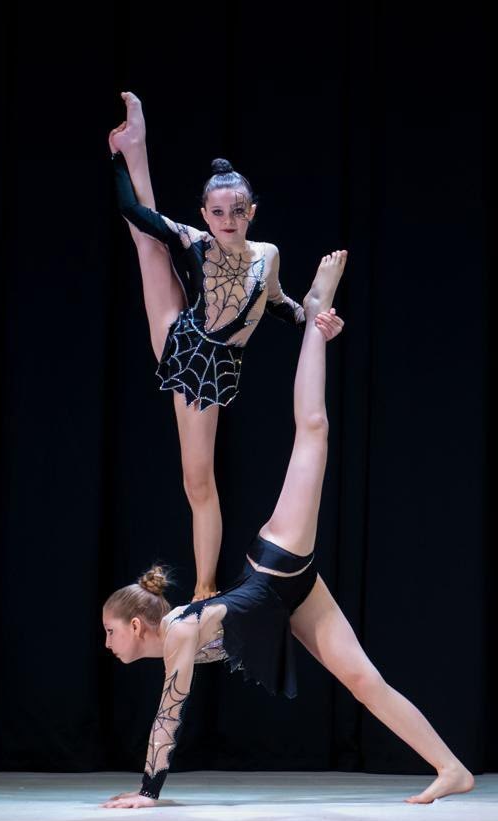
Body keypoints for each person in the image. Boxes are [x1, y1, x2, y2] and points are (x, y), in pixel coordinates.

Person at [101, 252, 474, 807]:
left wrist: (148, 792)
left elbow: (169, 712)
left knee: (312, 431)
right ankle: (452, 769)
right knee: (364, 683)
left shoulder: (177, 630)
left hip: (276, 561)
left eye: (110, 632)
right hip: (288, 598)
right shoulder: (177, 634)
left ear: (136, 626)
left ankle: (316, 311)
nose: (106, 642)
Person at [108, 91, 332, 602]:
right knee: (146, 242)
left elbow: (276, 303)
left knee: (198, 483)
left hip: (212, 363)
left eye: (237, 211)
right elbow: (131, 210)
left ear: (251, 211)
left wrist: (314, 320)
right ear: (205, 214)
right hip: (183, 340)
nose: (227, 219)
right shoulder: (197, 241)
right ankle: (133, 143)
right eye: (217, 212)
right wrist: (115, 160)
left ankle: (205, 585)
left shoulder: (267, 254)